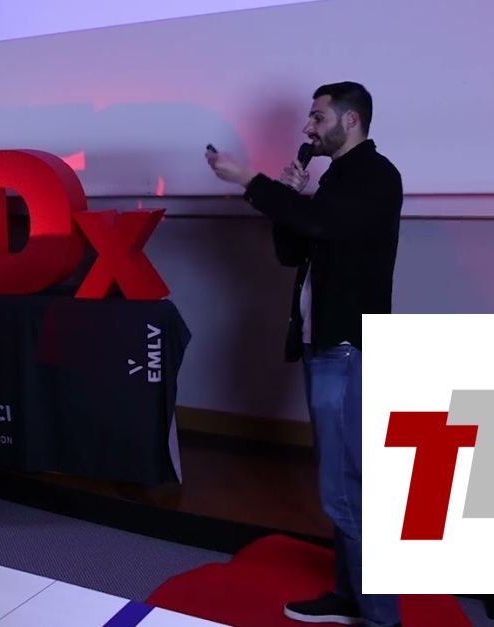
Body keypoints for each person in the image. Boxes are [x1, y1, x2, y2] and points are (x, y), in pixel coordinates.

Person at [206, 81, 403, 627]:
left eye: (317, 117)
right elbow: (293, 250)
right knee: (342, 485)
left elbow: (322, 225)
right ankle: (350, 595)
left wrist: (252, 181)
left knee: (347, 492)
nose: (307, 127)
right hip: (324, 347)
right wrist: (290, 200)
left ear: (351, 120)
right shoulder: (335, 179)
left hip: (349, 350)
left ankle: (383, 617)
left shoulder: (376, 175)